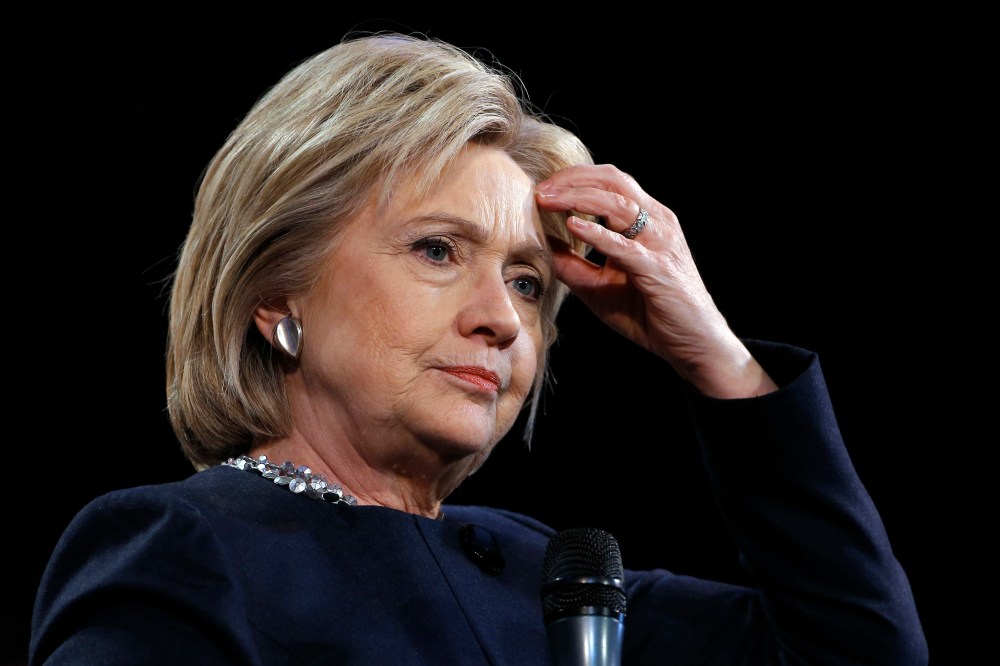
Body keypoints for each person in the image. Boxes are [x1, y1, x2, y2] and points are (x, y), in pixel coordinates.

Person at [29, 31, 927, 665]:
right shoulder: (184, 550)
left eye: (530, 283)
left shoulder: (559, 583)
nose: (501, 317)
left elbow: (859, 648)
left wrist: (718, 359)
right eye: (437, 250)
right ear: (274, 295)